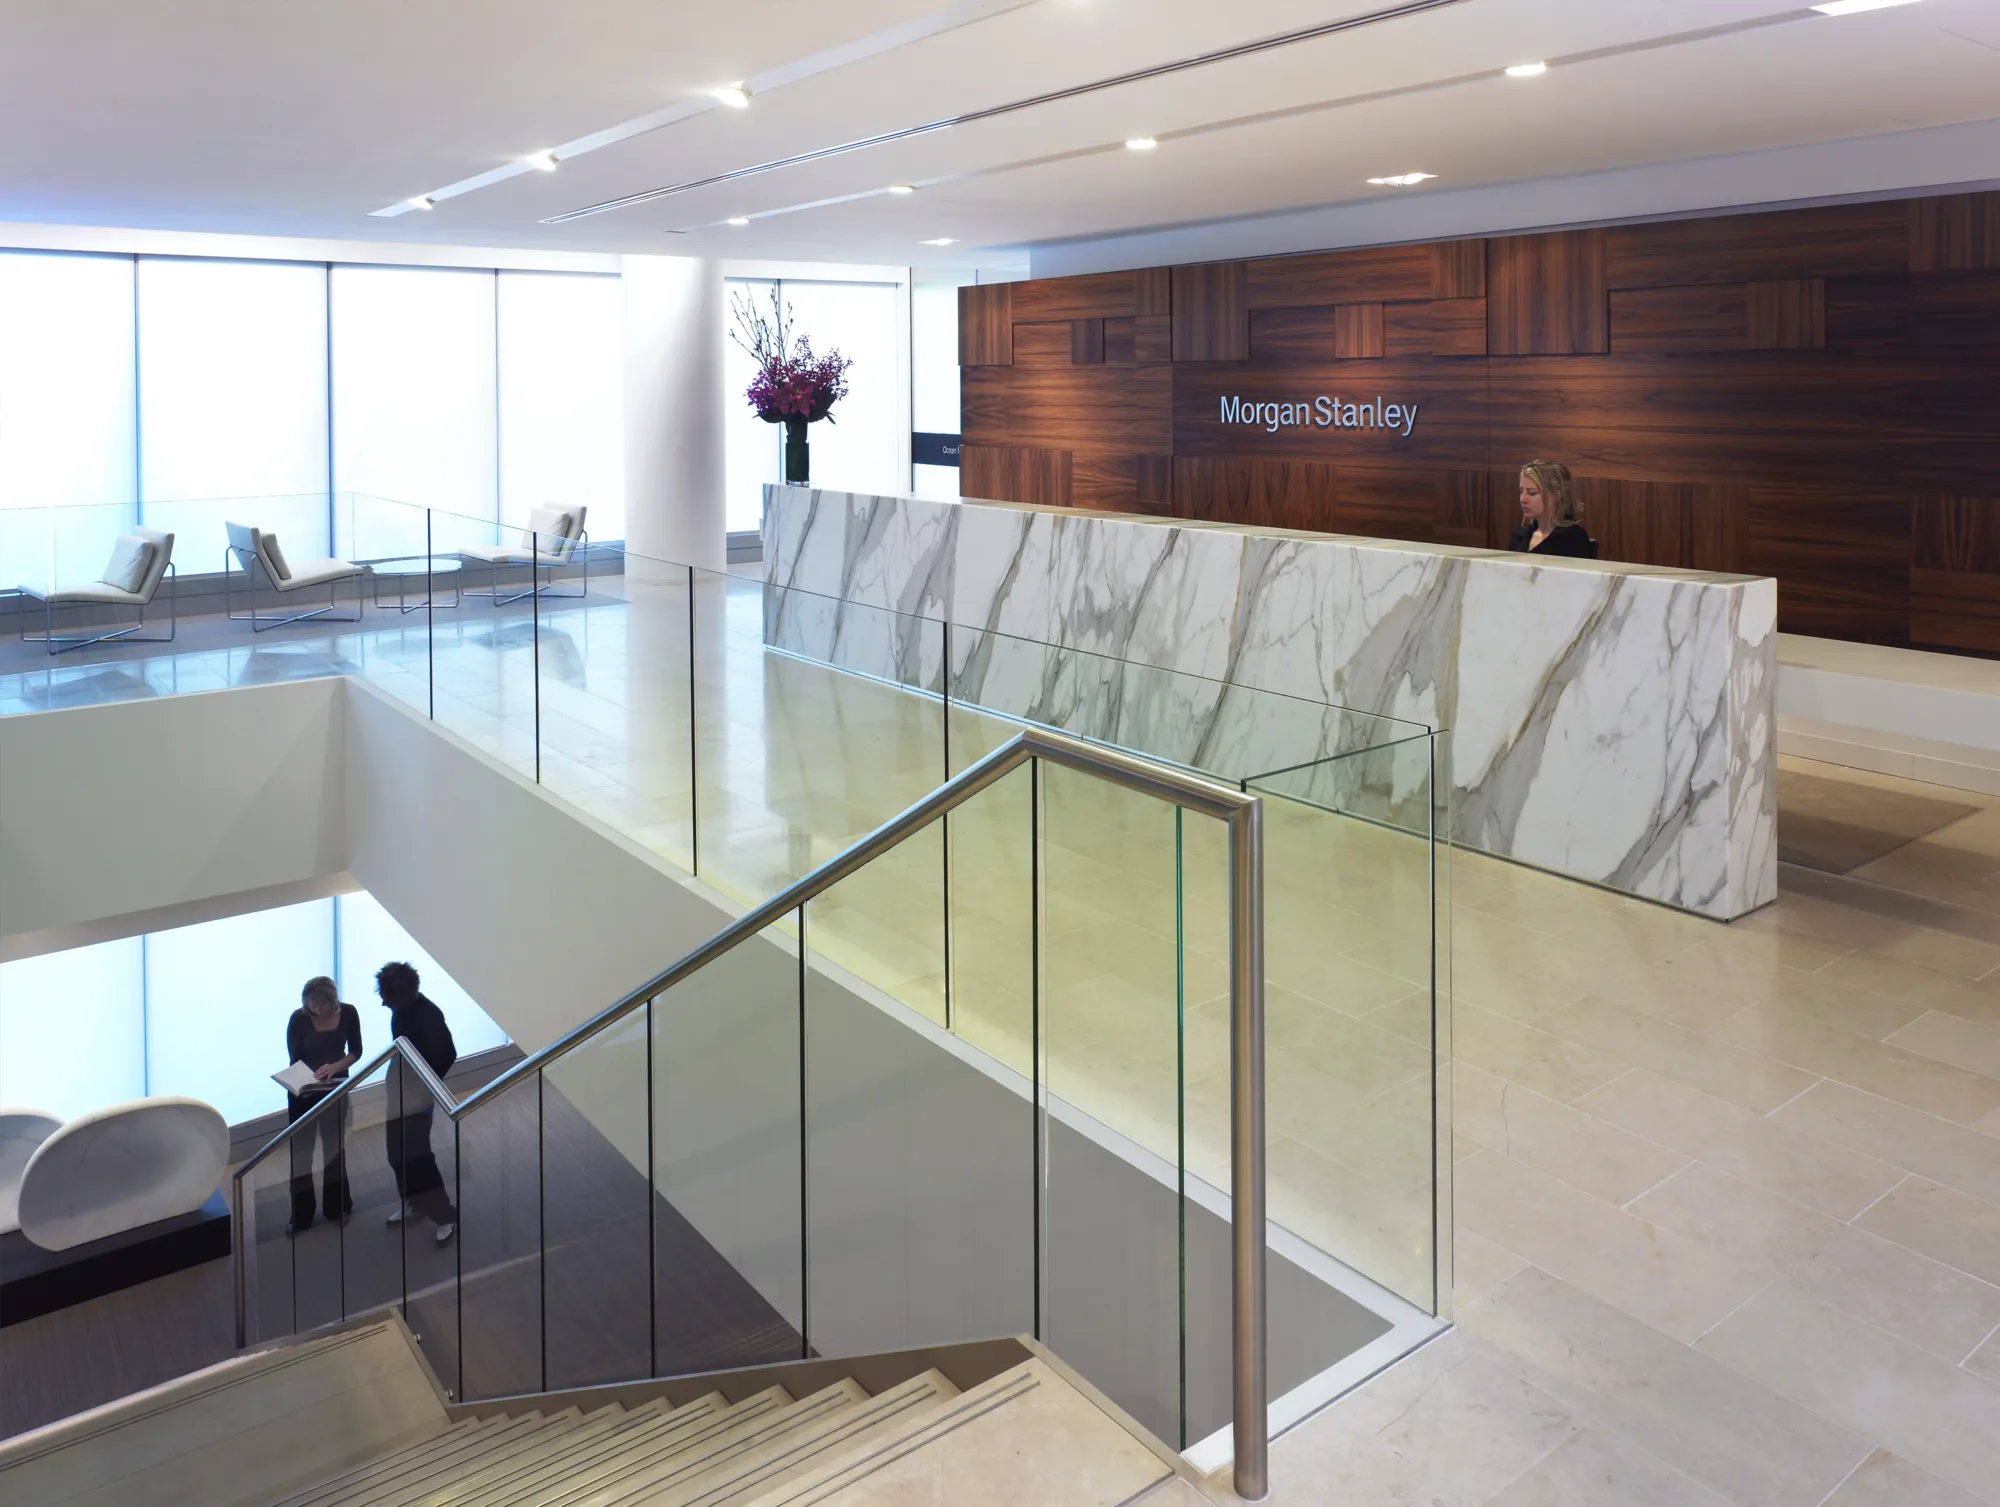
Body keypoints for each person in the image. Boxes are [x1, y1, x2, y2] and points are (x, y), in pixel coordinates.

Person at [376, 961, 459, 1246]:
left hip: (417, 1099)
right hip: (399, 1093)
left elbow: (448, 1054)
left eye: (386, 998)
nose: (383, 1003)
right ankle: (414, 1203)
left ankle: (444, 1215)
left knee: (419, 1158)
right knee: (396, 1154)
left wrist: (425, 1088)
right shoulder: (401, 1012)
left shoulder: (428, 1016)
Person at [284, 976, 361, 1234]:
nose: (316, 1011)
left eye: (321, 1006)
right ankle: (302, 1215)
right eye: (311, 1007)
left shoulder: (349, 1013)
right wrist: (309, 1077)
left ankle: (338, 1206)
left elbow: (356, 1051)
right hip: (304, 1094)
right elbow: (295, 1059)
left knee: (334, 1149)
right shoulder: (298, 1019)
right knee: (302, 1154)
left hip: (334, 1088)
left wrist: (336, 1067)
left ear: (332, 1000)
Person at [1507, 460, 1598, 558]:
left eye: (1532, 493)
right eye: (1521, 491)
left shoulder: (1573, 538)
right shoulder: (1519, 535)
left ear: (1556, 496)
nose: (1522, 499)